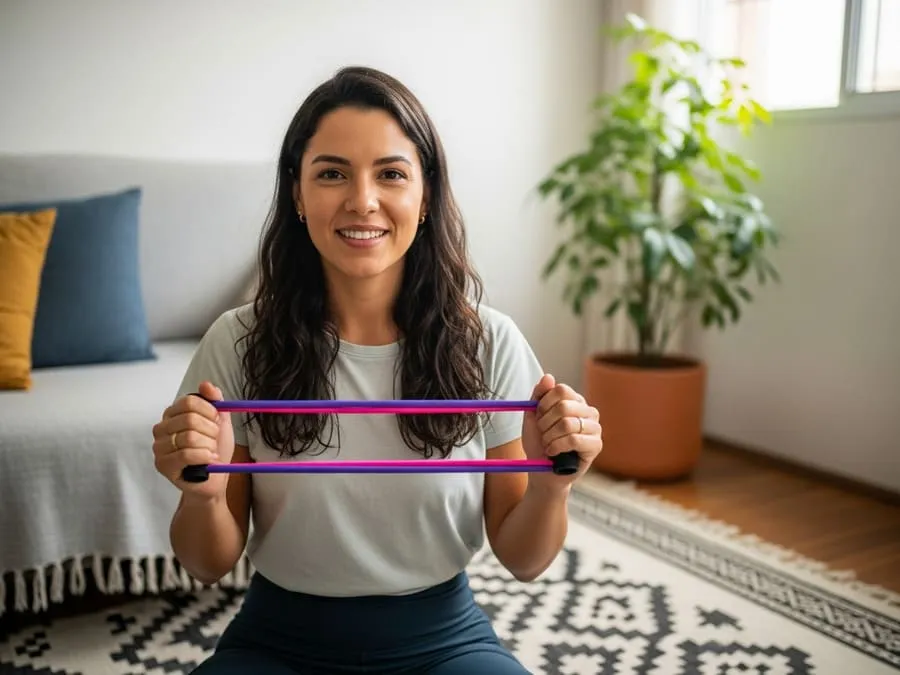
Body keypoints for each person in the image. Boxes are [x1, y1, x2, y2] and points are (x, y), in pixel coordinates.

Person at [151, 66, 603, 675]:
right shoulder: (237, 341)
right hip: (277, 638)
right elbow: (207, 563)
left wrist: (554, 485)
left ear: (425, 196)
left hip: (442, 637)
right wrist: (201, 497)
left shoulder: (490, 342)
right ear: (297, 195)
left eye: (390, 173)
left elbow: (524, 561)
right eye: (332, 173)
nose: (362, 200)